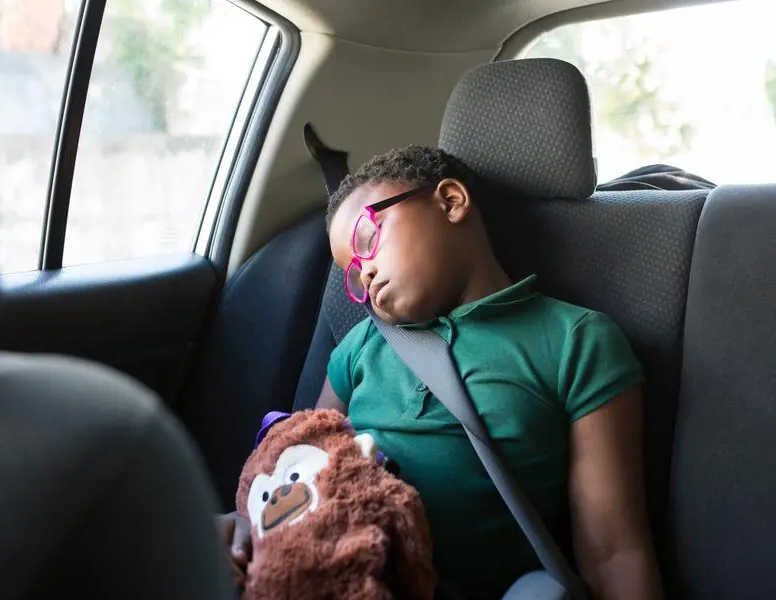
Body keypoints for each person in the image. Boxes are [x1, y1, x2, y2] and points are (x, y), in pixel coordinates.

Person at [221, 145, 664, 600]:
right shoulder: (360, 347)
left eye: (368, 239)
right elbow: (307, 461)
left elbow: (613, 551)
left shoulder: (576, 340)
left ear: (450, 201)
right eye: (352, 273)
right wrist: (250, 527)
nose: (365, 273)